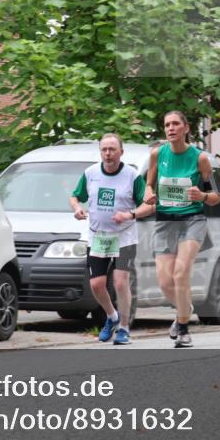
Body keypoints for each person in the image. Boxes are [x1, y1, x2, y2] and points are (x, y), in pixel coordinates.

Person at [144, 111, 220, 347]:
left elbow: (216, 196)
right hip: (165, 220)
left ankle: (184, 329)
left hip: (192, 220)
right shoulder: (158, 154)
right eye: (167, 124)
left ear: (186, 128)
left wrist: (203, 195)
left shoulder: (200, 159)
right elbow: (148, 183)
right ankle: (184, 310)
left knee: (180, 273)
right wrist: (148, 192)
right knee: (165, 282)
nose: (171, 128)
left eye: (176, 124)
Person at [70, 133, 153, 345]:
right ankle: (112, 317)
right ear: (100, 152)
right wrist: (78, 208)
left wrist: (129, 214)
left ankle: (124, 327)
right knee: (97, 284)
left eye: (112, 149)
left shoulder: (132, 176)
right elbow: (75, 196)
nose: (108, 154)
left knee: (120, 282)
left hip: (124, 236)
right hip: (98, 236)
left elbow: (149, 205)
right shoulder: (90, 173)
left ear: (121, 152)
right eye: (104, 150)